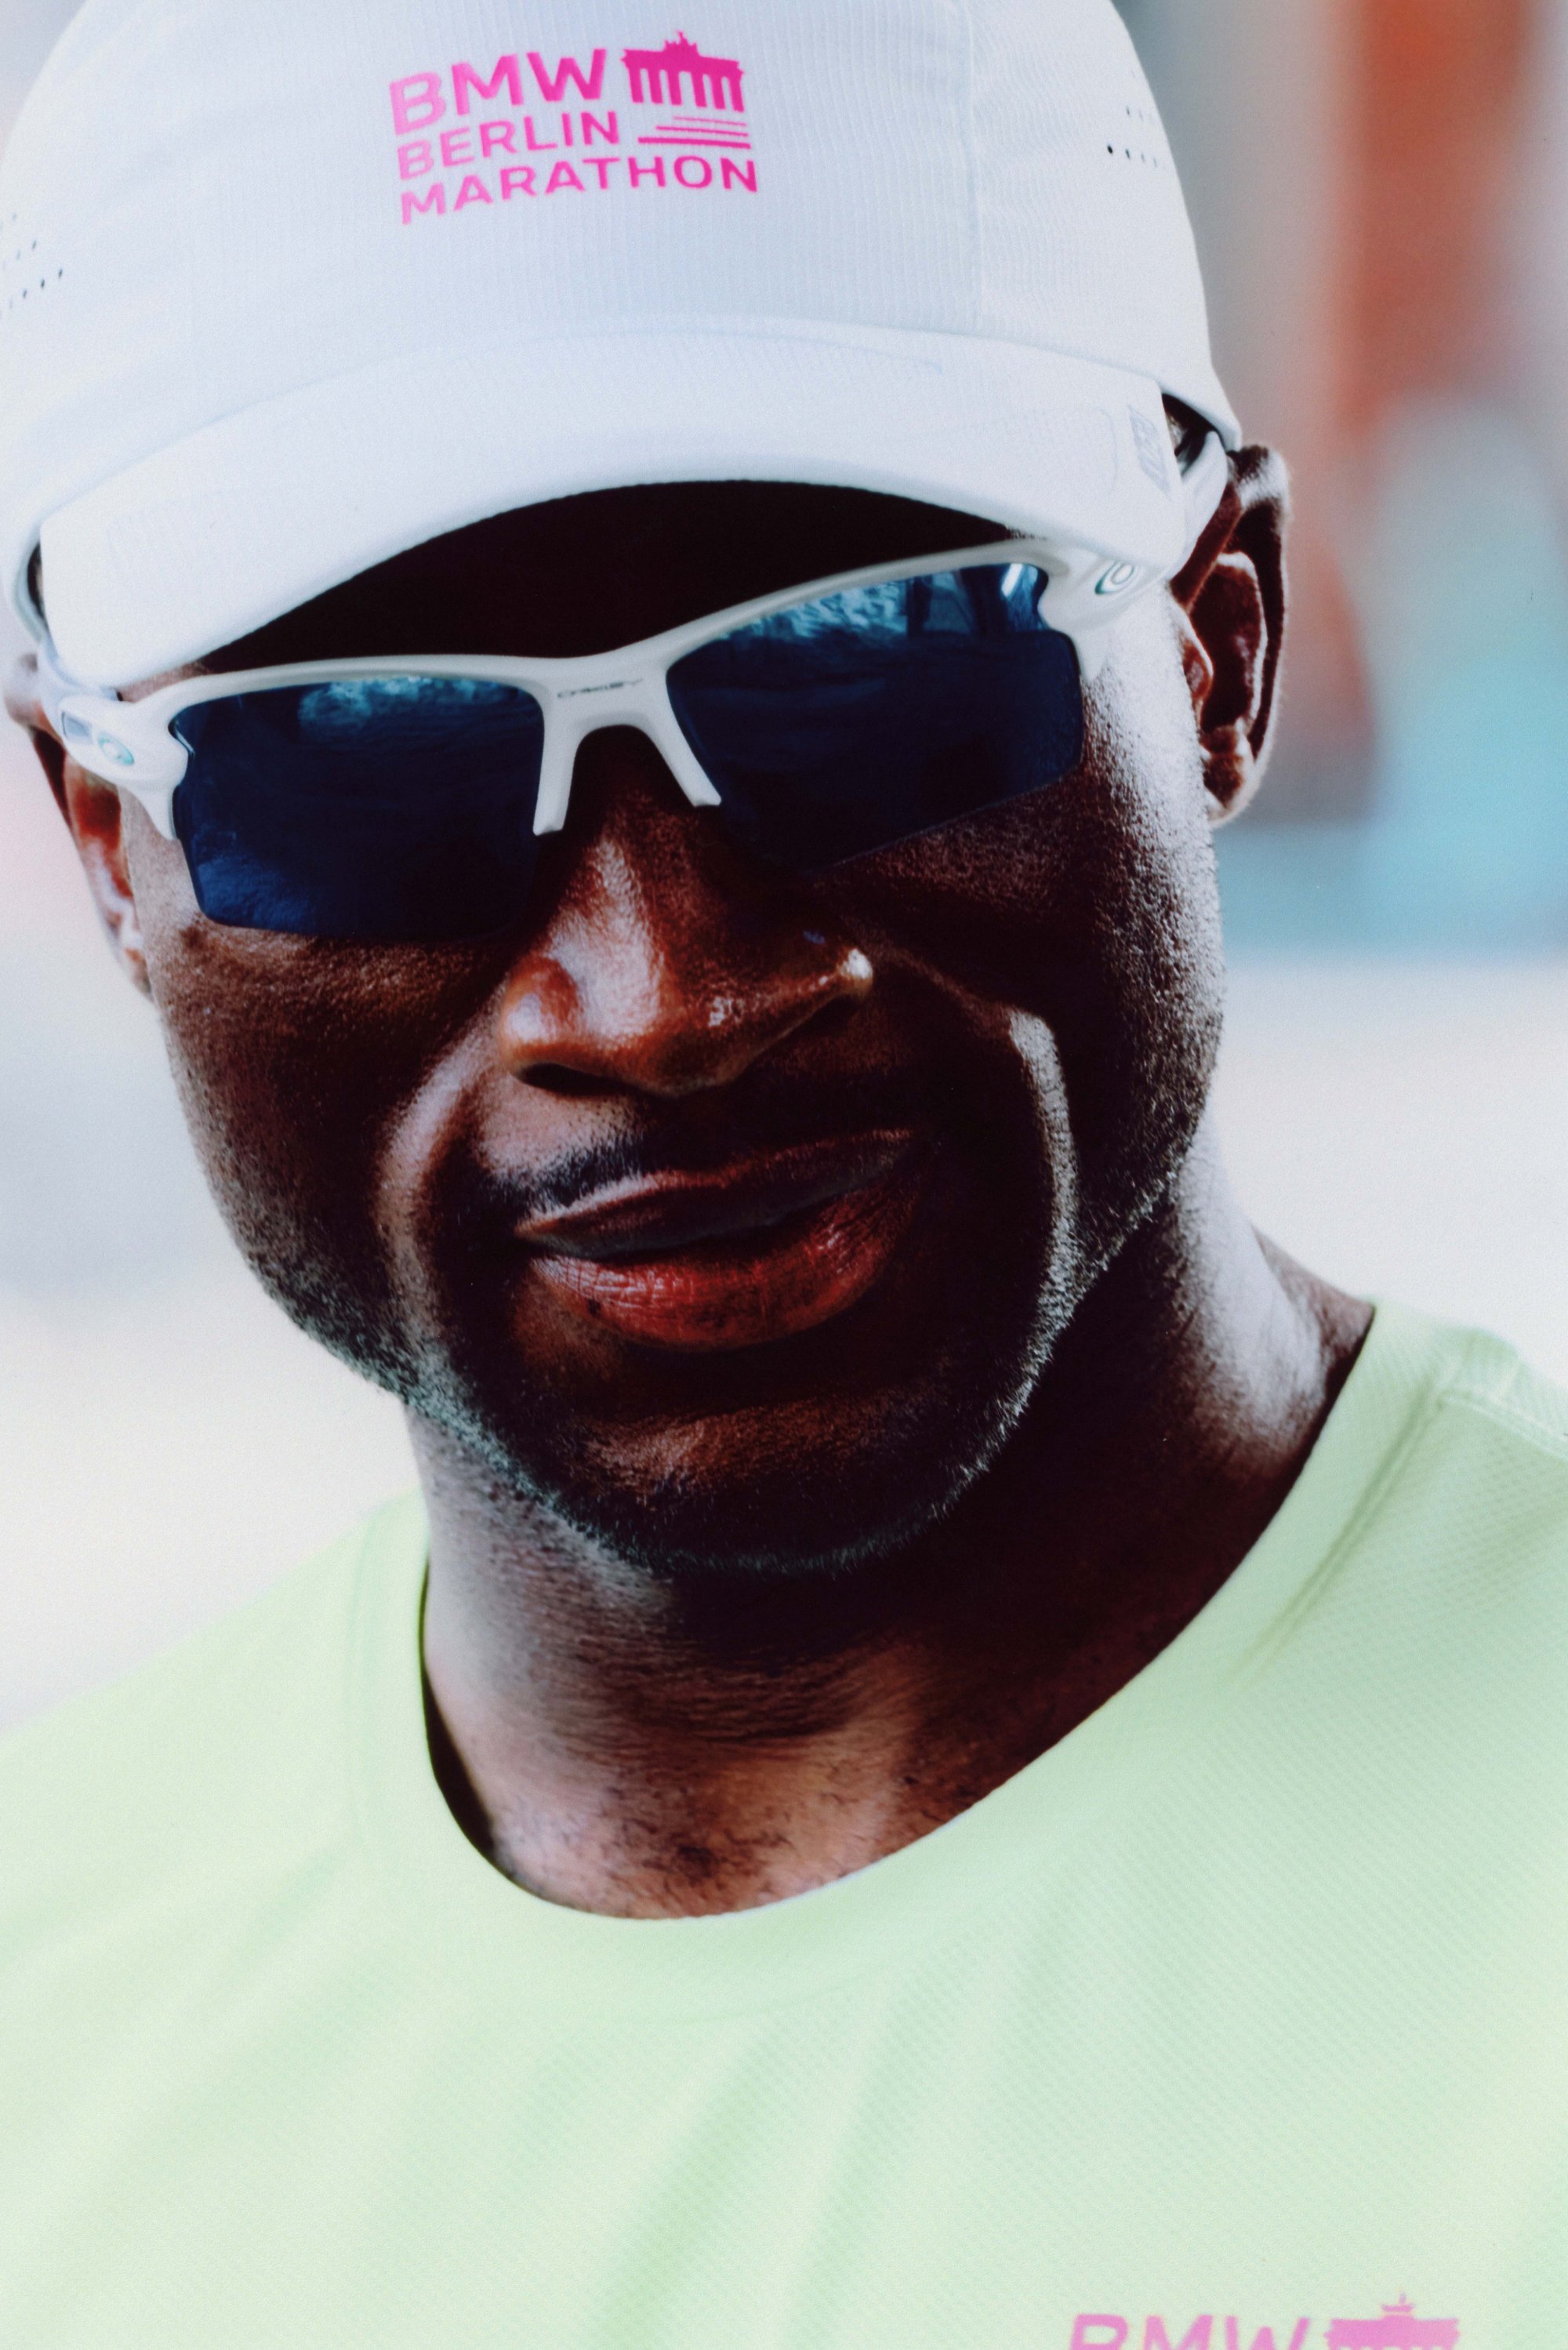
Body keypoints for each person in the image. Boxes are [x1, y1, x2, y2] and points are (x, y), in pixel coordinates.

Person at [0, 2, 1562, 2344]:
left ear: (1219, 640)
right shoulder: (56, 2022)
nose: (662, 990)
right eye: (362, 760)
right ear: (111, 851)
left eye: (865, 663)